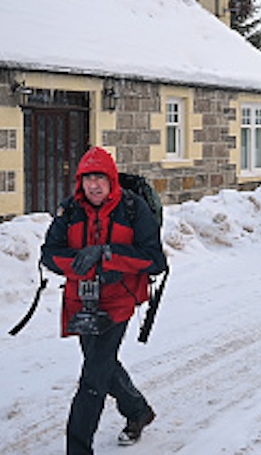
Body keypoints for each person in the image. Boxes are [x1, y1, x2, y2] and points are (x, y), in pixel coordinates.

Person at [41, 146, 167, 453]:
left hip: (118, 301)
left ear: (111, 180)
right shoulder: (69, 210)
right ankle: (137, 411)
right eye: (87, 178)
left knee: (93, 379)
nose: (93, 185)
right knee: (101, 364)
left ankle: (78, 448)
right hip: (81, 302)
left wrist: (108, 255)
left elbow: (155, 260)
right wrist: (81, 263)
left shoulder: (133, 208)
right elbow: (49, 254)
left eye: (100, 178)